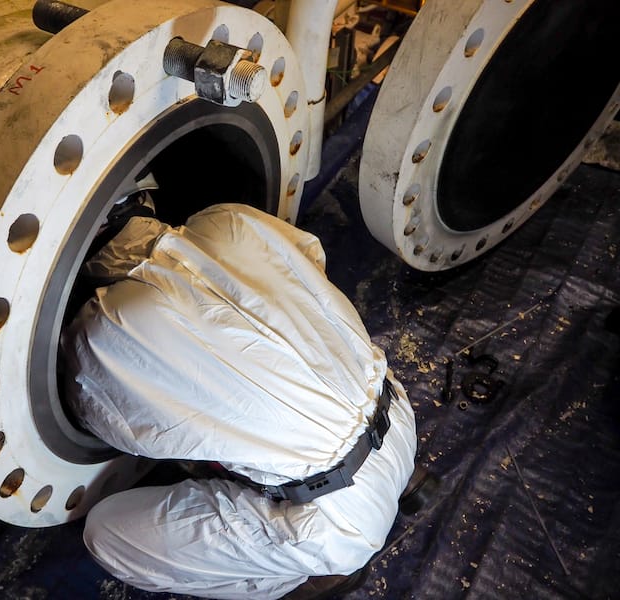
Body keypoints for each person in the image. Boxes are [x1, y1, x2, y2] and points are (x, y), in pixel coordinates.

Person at [60, 202, 417, 599]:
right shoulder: (229, 223)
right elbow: (311, 258)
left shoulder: (107, 330)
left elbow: (105, 419)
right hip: (394, 418)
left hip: (338, 528)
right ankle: (386, 484)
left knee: (107, 535)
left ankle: (305, 577)